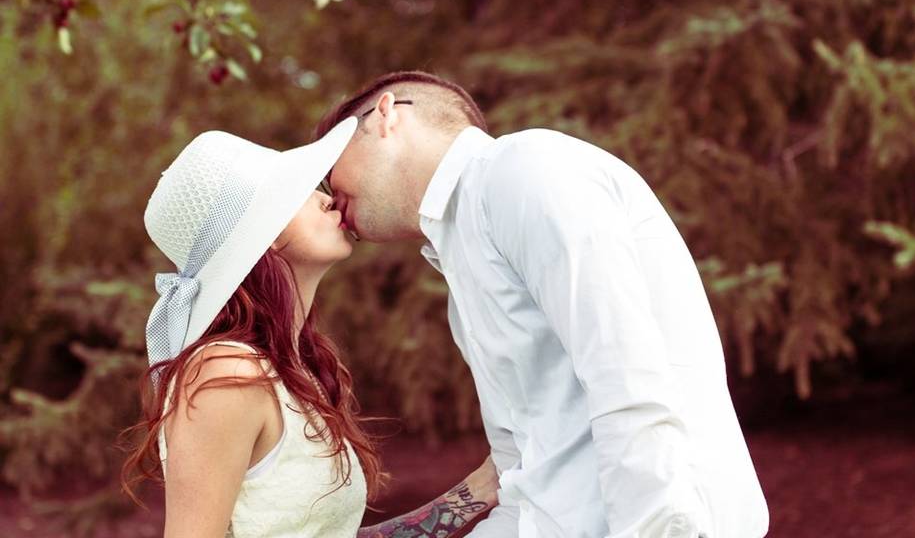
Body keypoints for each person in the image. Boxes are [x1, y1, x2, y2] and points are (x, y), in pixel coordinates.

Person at [314, 71, 770, 538]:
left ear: (387, 115)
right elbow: (523, 465)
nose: (328, 192)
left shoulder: (522, 168)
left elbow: (625, 376)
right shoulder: (464, 251)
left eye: (330, 161)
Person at [120, 119, 500, 538]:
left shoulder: (290, 373)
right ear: (259, 238)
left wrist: (475, 491)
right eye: (295, 194)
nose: (325, 199)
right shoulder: (225, 375)